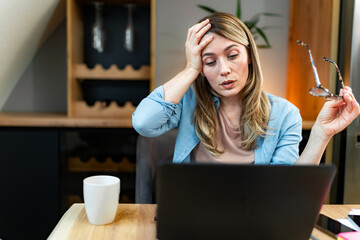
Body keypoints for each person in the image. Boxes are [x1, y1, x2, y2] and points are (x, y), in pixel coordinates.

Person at [132, 12, 360, 165]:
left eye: (232, 56)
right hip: (192, 215)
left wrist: (322, 133)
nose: (224, 70)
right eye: (210, 62)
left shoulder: (284, 114)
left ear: (249, 55)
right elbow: (143, 122)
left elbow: (286, 186)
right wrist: (191, 67)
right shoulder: (187, 102)